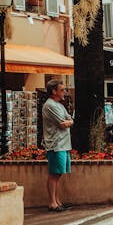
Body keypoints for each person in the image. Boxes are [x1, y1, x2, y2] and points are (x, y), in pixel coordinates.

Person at [42, 80, 73, 212]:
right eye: (62, 90)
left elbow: (70, 119)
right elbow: (63, 123)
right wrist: (69, 122)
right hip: (56, 144)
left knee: (58, 174)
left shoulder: (59, 105)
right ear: (54, 91)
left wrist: (69, 121)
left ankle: (57, 201)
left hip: (63, 144)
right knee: (54, 174)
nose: (64, 92)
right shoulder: (50, 106)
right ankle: (52, 203)